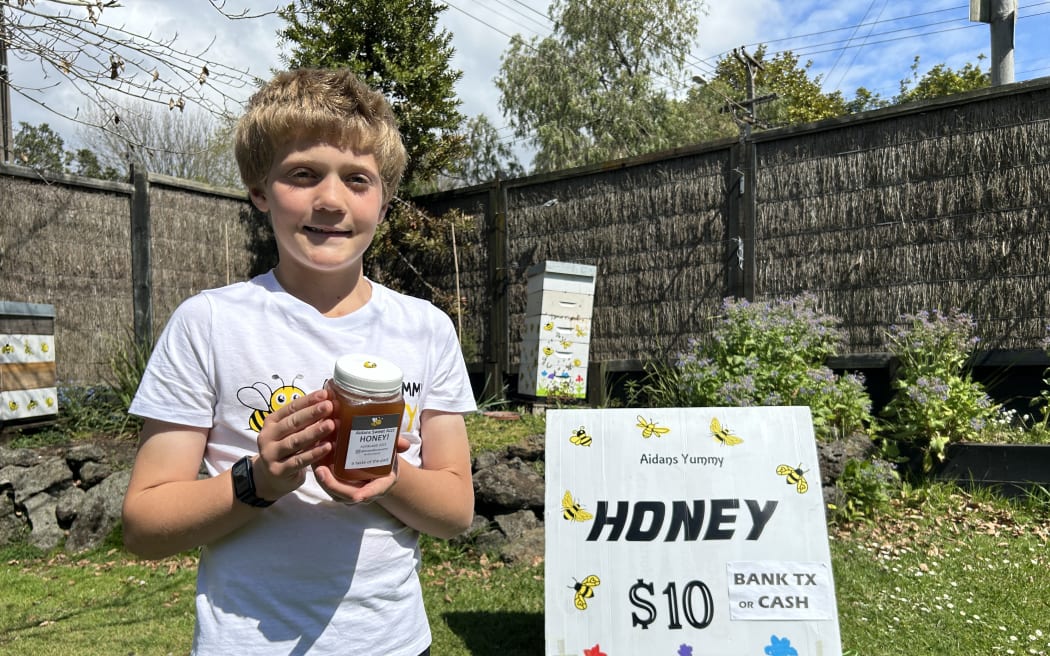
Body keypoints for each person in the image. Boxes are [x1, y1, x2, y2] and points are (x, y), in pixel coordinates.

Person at [121, 68, 476, 656]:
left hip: (394, 643)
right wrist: (258, 480)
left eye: (357, 179)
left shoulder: (425, 329)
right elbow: (144, 525)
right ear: (260, 191)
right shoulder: (209, 324)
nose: (330, 200)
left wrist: (387, 475)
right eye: (303, 174)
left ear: (384, 199)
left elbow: (456, 511)